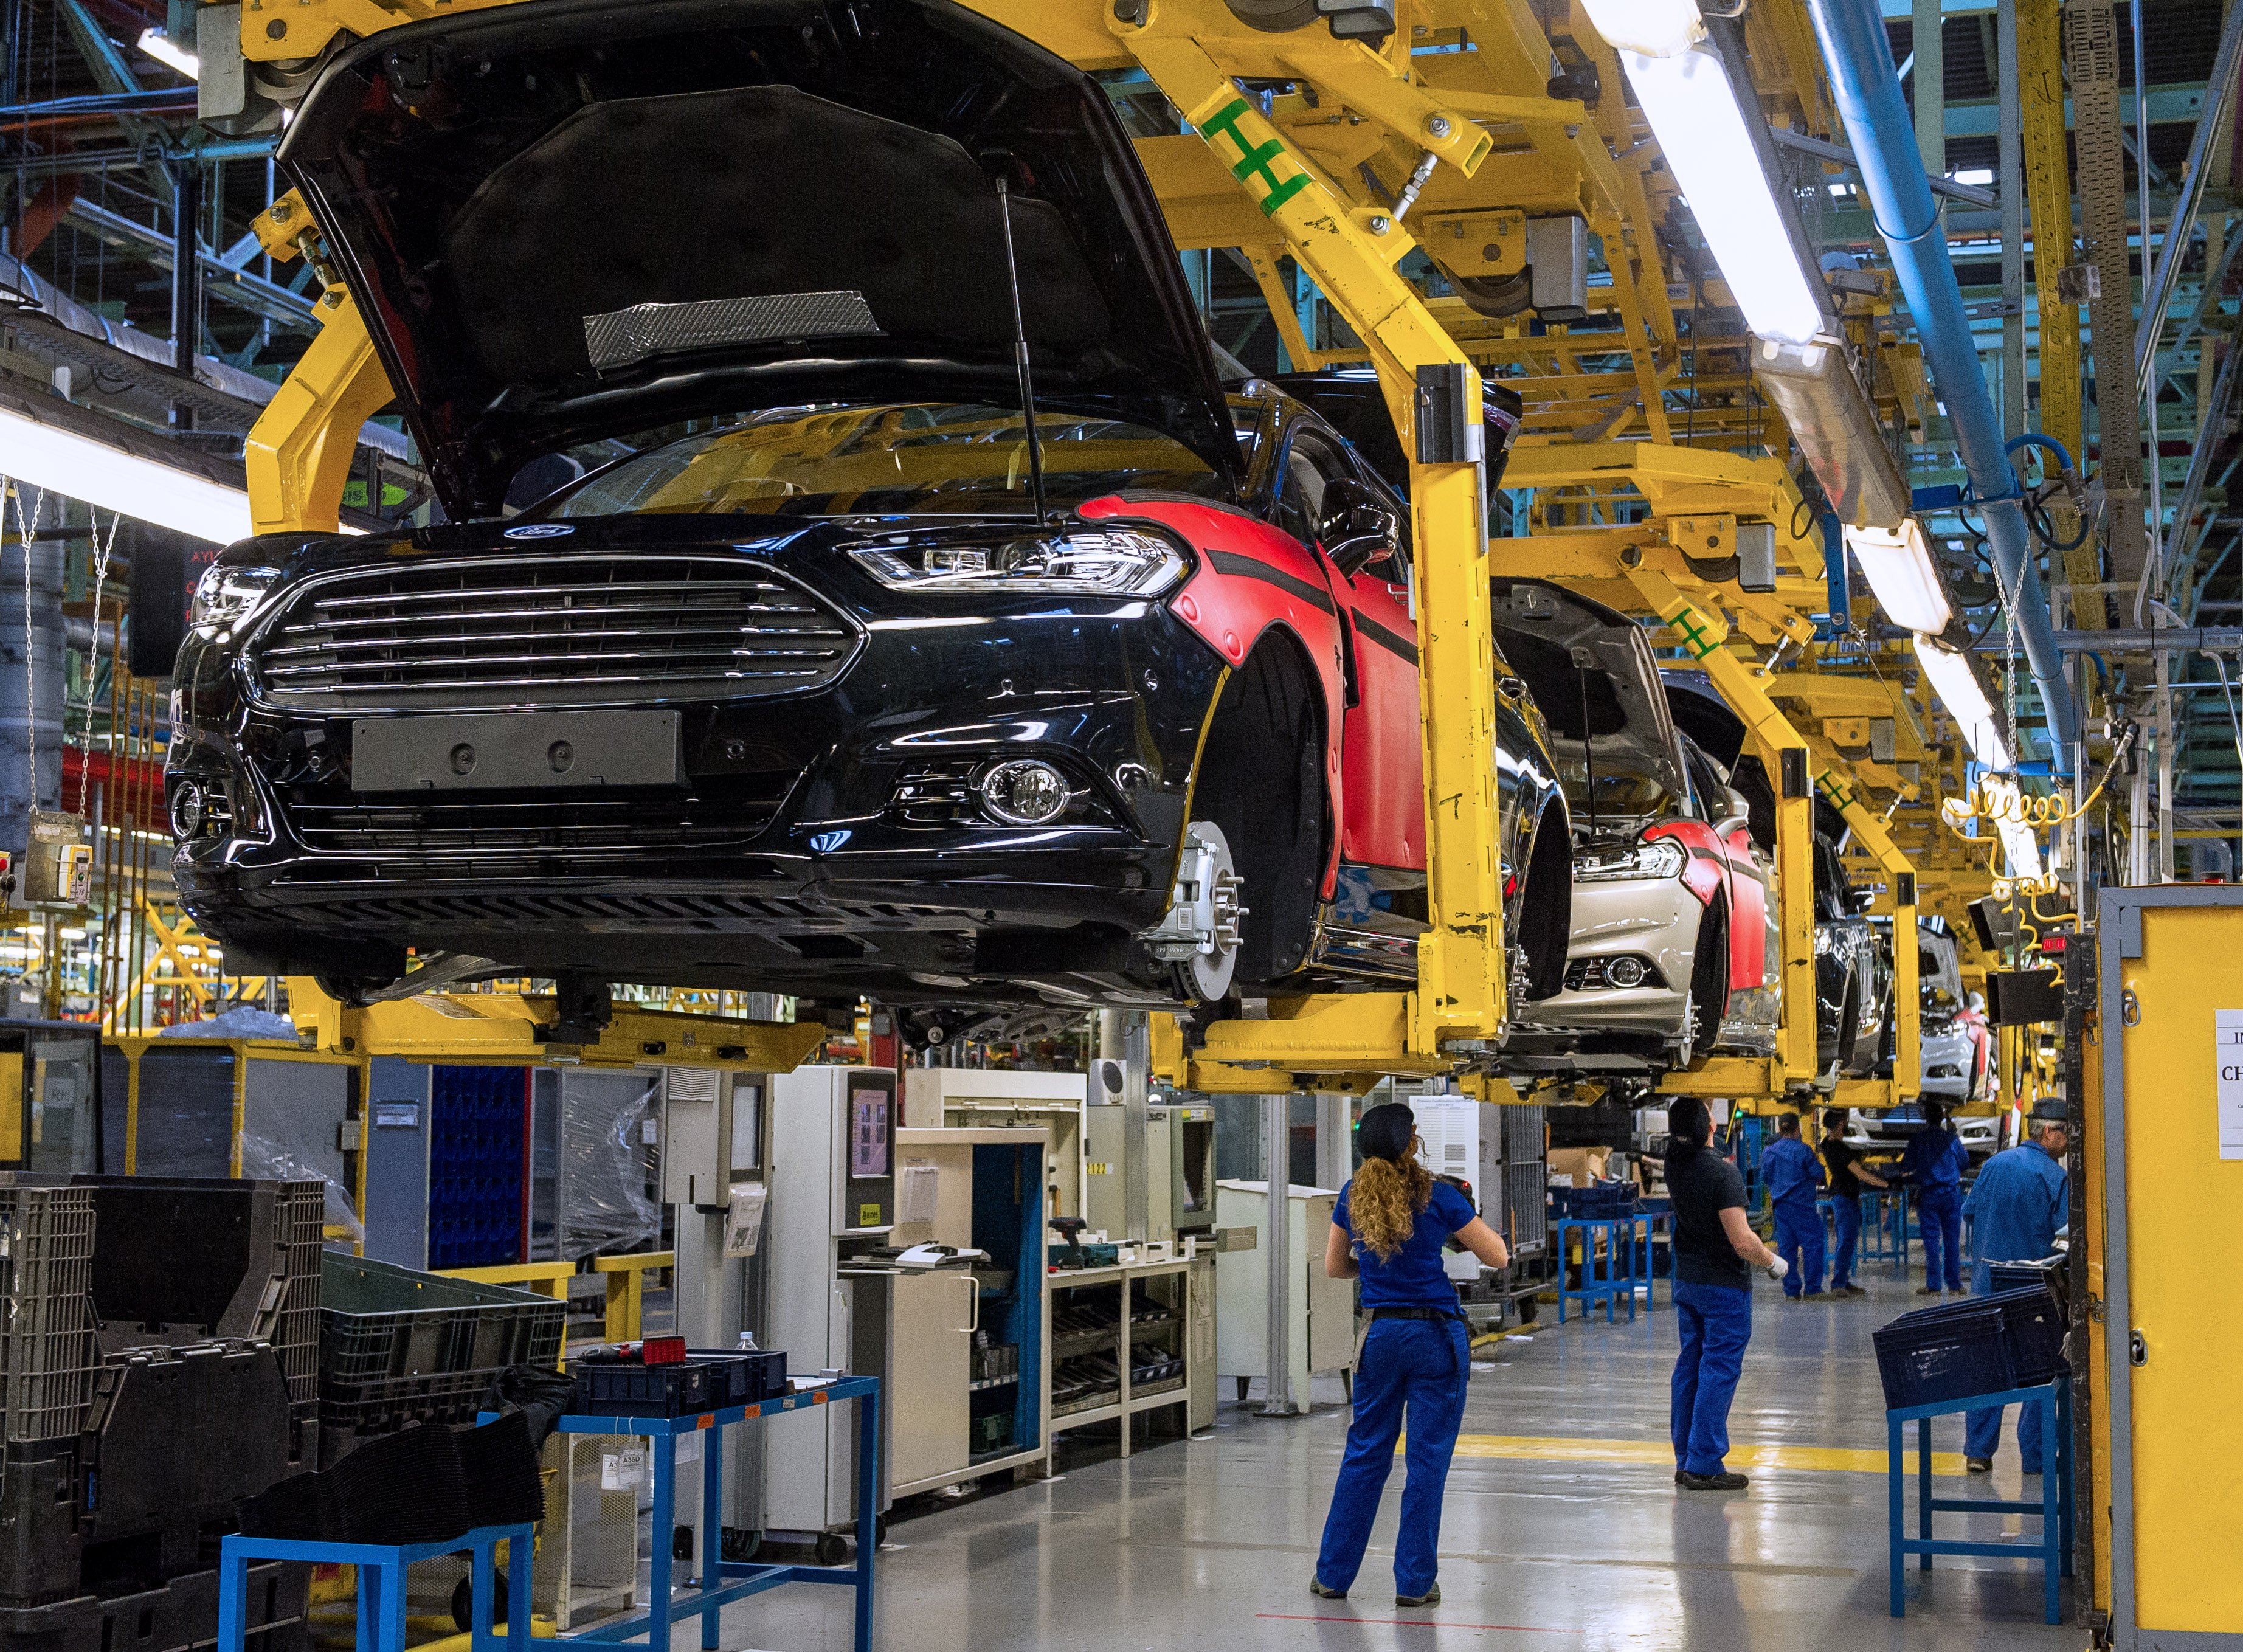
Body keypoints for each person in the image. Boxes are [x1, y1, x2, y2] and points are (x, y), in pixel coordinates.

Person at [1312, 1102, 1511, 1609]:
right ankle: (1414, 1582)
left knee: (1365, 1454)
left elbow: (1336, 1267)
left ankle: (1333, 1575)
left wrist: (1380, 1278)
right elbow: (1497, 1255)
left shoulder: (1350, 1196)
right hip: (1435, 1339)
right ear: (1410, 1142)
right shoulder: (1439, 1194)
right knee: (1426, 1462)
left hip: (1379, 1336)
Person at [1665, 1097, 1788, 1492]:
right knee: (1718, 1368)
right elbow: (1741, 1240)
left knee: (1690, 1365)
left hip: (1687, 1281)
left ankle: (1685, 1459)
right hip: (1722, 1286)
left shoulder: (1673, 1161)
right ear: (1711, 1126)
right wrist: (1772, 1261)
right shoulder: (1722, 1174)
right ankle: (1703, 1463)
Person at [1960, 1101, 2071, 1473]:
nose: (2069, 1141)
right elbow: (2066, 1237)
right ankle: (2036, 1457)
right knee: (2042, 1370)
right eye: (2067, 1133)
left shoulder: (1994, 1165)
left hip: (1987, 1286)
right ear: (2048, 1133)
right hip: (2031, 1291)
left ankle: (1978, 1451)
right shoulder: (2054, 1178)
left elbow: (1971, 1213)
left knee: (1989, 1367)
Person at [1899, 1100, 1969, 1294]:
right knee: (1952, 1240)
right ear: (1942, 1118)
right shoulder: (1951, 1139)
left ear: (1925, 1118)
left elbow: (1906, 1165)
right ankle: (1955, 1285)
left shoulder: (1918, 1140)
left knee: (1931, 1241)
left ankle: (1933, 1286)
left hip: (1929, 1194)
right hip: (1950, 1194)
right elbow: (1964, 1162)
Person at [1820, 1108, 1890, 1296]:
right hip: (1845, 1198)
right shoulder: (1839, 1148)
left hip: (1841, 1196)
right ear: (1840, 1125)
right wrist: (1884, 1183)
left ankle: (1843, 1280)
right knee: (1846, 1240)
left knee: (1846, 1240)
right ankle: (1838, 1284)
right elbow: (1860, 1174)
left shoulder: (1826, 1143)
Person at [1759, 1112, 1827, 1301]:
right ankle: (1813, 1289)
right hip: (1802, 1206)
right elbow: (1818, 1173)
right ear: (1798, 1129)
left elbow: (1765, 1178)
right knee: (1813, 1245)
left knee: (1787, 1248)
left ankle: (1791, 1291)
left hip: (1780, 1207)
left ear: (1780, 1129)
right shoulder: (1803, 1150)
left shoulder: (1769, 1152)